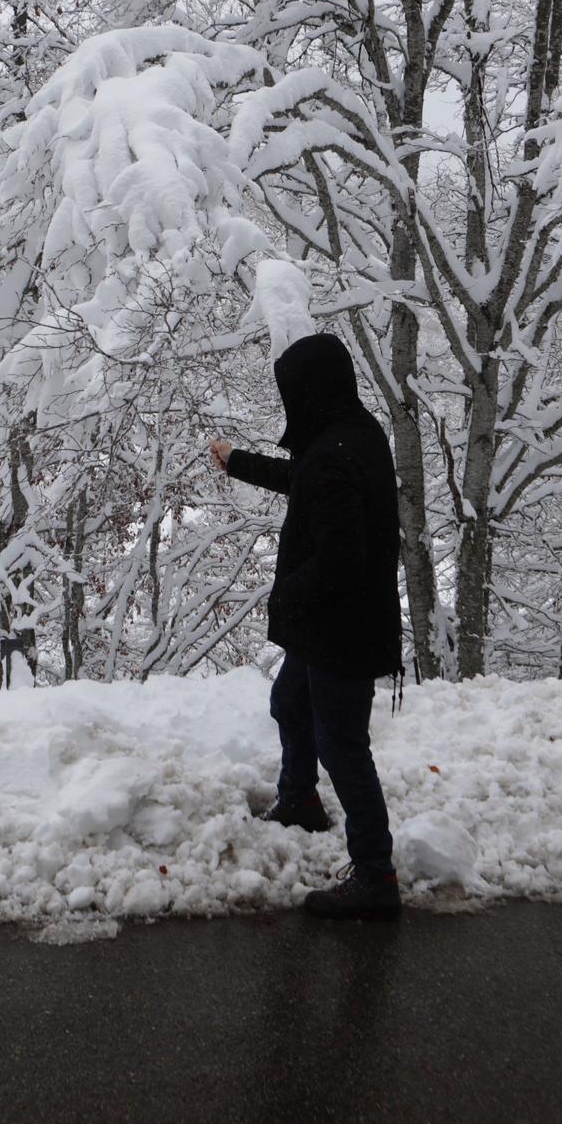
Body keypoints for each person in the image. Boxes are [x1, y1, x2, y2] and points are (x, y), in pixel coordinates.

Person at [210, 332, 404, 921]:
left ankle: (376, 874)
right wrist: (239, 462)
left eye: (291, 391)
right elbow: (307, 480)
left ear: (310, 391)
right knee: (290, 702)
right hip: (336, 622)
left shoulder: (336, 452)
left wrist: (288, 590)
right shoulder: (351, 435)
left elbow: (341, 558)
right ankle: (299, 800)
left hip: (340, 629)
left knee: (343, 746)